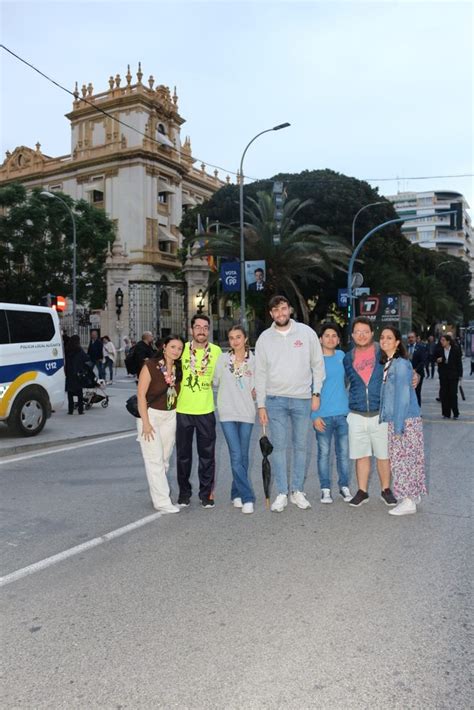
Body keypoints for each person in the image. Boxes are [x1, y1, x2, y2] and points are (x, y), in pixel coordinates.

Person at [255, 295, 325, 512]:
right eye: (276, 310)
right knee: (279, 448)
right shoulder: (264, 339)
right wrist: (261, 405)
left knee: (301, 446)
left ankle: (297, 490)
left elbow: (318, 364)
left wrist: (316, 393)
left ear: (289, 310)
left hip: (302, 399)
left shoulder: (306, 333)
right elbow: (260, 373)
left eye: (283, 309)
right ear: (271, 314)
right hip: (275, 400)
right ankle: (283, 493)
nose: (280, 313)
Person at [343, 317, 397, 508]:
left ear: (372, 333)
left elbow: (400, 370)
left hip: (380, 413)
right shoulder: (347, 358)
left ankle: (386, 490)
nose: (361, 335)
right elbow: (343, 383)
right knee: (361, 455)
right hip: (357, 414)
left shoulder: (382, 353)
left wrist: (414, 376)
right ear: (352, 335)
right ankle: (362, 491)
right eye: (357, 331)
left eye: (365, 331)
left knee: (383, 455)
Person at [379, 326, 427, 515]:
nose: (384, 340)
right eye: (382, 337)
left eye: (389, 338)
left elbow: (402, 398)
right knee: (409, 460)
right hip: (401, 419)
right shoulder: (390, 363)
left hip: (404, 420)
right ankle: (412, 495)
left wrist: (398, 428)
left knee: (402, 461)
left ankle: (408, 501)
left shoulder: (400, 364)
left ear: (397, 342)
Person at [176, 314, 222, 508]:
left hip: (205, 410)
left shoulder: (217, 351)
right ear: (191, 330)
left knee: (207, 456)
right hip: (183, 410)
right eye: (197, 327)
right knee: (183, 456)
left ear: (208, 330)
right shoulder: (181, 349)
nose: (201, 330)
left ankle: (206, 494)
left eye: (205, 327)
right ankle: (184, 493)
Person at [136, 335, 185, 514]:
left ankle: (157, 493)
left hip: (170, 416)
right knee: (154, 460)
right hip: (151, 416)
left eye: (179, 348)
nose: (176, 351)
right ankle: (162, 501)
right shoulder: (150, 366)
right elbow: (141, 395)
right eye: (173, 347)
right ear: (164, 347)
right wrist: (146, 424)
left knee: (164, 460)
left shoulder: (179, 369)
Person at [214, 325, 256, 514]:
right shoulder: (222, 360)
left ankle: (236, 493)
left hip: (247, 412)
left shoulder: (254, 361)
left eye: (238, 337)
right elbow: (214, 381)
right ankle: (248, 497)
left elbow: (258, 386)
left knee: (244, 456)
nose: (235, 341)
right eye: (231, 338)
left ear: (245, 339)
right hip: (227, 412)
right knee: (236, 454)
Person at [311, 323, 352, 504]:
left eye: (334, 335)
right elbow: (308, 390)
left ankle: (344, 486)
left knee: (343, 453)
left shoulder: (342, 356)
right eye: (327, 335)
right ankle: (325, 489)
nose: (330, 339)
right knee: (323, 454)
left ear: (338, 339)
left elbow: (350, 379)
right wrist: (314, 416)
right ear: (320, 339)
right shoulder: (314, 361)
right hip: (322, 416)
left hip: (343, 414)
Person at [436, 334, 463, 419]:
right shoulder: (440, 350)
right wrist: (438, 360)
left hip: (453, 376)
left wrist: (460, 375)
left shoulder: (455, 349)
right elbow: (433, 358)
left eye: (443, 340)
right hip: (443, 376)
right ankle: (446, 413)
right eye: (441, 340)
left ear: (448, 341)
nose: (441, 342)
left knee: (453, 394)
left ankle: (456, 413)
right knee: (444, 394)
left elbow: (459, 363)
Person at [65, 334, 89, 415]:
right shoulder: (79, 350)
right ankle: (80, 410)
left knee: (70, 393)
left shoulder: (67, 349)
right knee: (79, 393)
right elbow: (86, 358)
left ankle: (70, 410)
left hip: (69, 373)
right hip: (78, 373)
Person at [407, 331, 426, 406]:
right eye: (409, 337)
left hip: (418, 373)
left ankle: (417, 409)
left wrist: (415, 369)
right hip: (407, 374)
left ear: (415, 338)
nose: (410, 339)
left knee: (417, 391)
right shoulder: (405, 348)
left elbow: (423, 361)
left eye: (412, 337)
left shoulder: (421, 348)